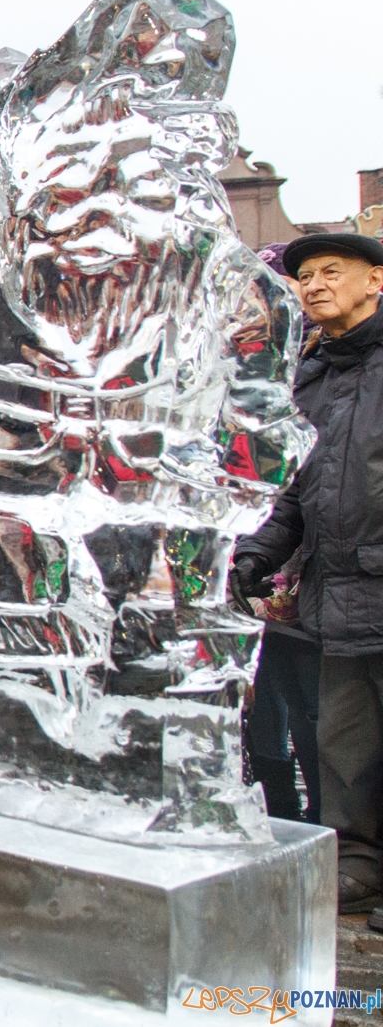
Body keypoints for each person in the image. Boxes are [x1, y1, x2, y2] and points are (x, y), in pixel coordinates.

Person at [232, 232, 383, 915]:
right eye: (307, 276)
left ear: (375, 280)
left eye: (332, 271)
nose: (315, 284)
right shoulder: (316, 375)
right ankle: (356, 861)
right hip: (340, 589)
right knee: (343, 743)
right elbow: (297, 489)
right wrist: (259, 551)